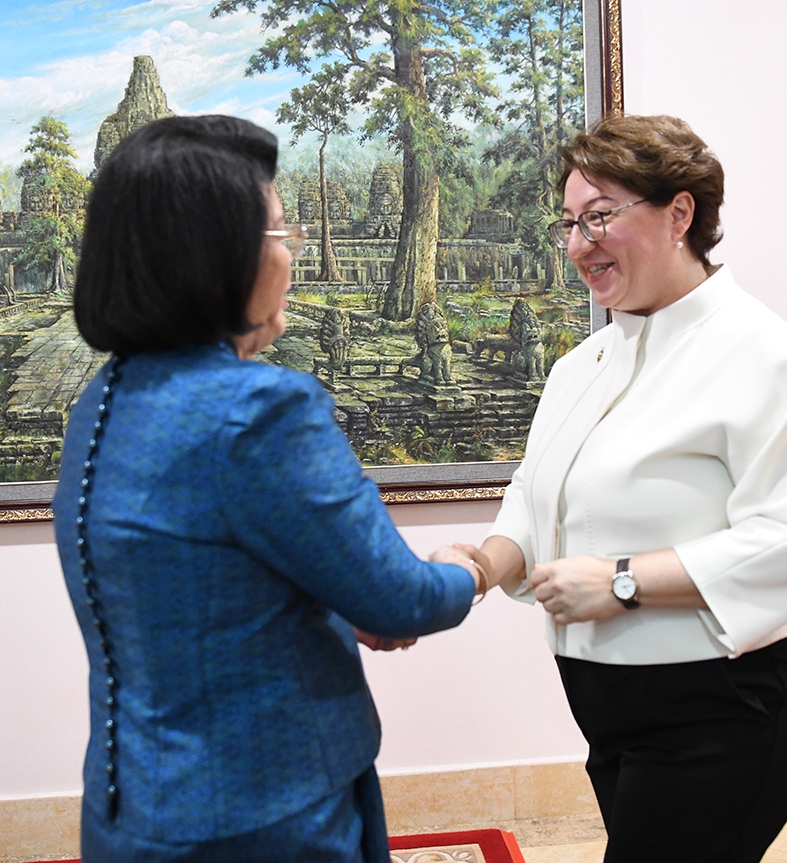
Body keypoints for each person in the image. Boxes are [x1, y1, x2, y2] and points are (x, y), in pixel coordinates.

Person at [51, 115, 483, 863]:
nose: (294, 253)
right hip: (264, 814)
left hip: (132, 804)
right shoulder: (257, 410)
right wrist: (470, 569)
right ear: (221, 256)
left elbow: (203, 592)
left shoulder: (104, 400)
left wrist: (337, 606)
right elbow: (401, 600)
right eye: (282, 233)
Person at [459, 115, 787, 863]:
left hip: (726, 706)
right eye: (569, 223)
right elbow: (536, 491)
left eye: (601, 216)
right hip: (610, 706)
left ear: (680, 214)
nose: (580, 243)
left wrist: (624, 581)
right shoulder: (581, 365)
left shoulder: (762, 352)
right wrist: (481, 566)